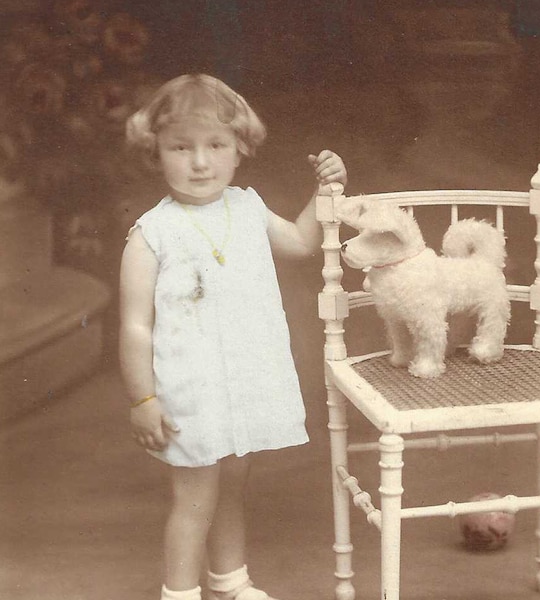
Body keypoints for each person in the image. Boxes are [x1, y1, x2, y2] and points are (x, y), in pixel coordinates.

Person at [119, 73, 347, 600]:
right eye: (181, 147)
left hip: (242, 382)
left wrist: (325, 190)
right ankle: (179, 593)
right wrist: (143, 399)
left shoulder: (246, 207)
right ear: (156, 153)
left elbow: (300, 241)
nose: (200, 162)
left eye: (215, 145)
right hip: (190, 392)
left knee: (231, 490)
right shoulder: (153, 232)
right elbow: (134, 325)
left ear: (239, 149)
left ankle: (229, 580)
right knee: (195, 498)